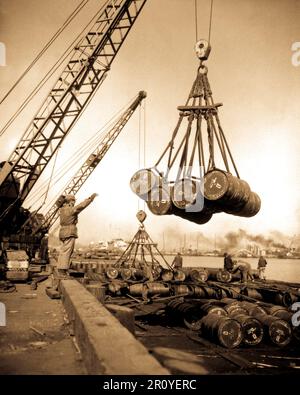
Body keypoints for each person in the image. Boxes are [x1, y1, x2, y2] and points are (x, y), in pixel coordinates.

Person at [56, 193, 98, 275]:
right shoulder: (70, 210)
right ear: (70, 202)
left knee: (63, 251)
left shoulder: (61, 210)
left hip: (62, 232)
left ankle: (61, 268)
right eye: (73, 201)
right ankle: (62, 270)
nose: (74, 203)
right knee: (67, 251)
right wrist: (90, 199)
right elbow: (81, 206)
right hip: (69, 232)